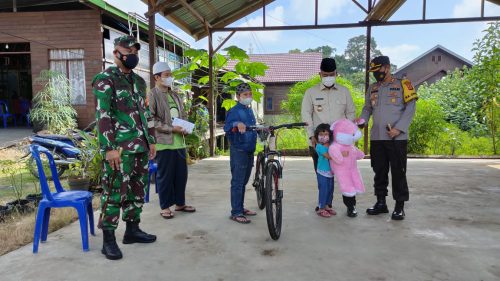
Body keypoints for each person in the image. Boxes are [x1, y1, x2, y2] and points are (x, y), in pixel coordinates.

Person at [93, 35, 157, 260]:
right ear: (116, 53)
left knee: (137, 191)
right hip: (118, 150)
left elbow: (145, 114)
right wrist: (109, 148)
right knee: (113, 193)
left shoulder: (139, 82)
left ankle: (132, 230)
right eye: (128, 51)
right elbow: (103, 115)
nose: (132, 55)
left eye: (135, 52)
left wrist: (151, 141)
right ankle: (108, 240)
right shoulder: (105, 79)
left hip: (140, 147)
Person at [359, 55, 417, 220]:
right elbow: (367, 108)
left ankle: (399, 206)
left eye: (379, 70)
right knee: (379, 171)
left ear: (388, 67)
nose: (376, 74)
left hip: (396, 138)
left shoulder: (403, 84)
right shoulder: (373, 88)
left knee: (398, 172)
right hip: (377, 137)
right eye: (374, 71)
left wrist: (399, 129)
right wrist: (361, 122)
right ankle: (381, 203)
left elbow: (410, 108)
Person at [301, 57, 356, 214]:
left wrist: (349, 136)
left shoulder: (344, 92)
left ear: (336, 73)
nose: (328, 77)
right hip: (320, 142)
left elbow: (351, 113)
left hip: (340, 142)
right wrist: (311, 136)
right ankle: (324, 204)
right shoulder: (311, 92)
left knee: (346, 174)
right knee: (323, 175)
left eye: (331, 74)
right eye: (325, 74)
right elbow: (306, 115)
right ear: (320, 74)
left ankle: (350, 206)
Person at [148, 61, 195, 220]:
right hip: (164, 143)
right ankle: (165, 206)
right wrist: (171, 129)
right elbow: (150, 120)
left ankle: (180, 203)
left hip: (179, 142)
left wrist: (185, 127)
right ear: (157, 77)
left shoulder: (174, 94)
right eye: (167, 75)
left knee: (181, 175)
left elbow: (182, 116)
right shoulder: (153, 94)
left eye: (170, 75)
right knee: (165, 177)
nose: (170, 78)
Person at [224, 83, 258, 224]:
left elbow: (252, 127)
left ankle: (240, 207)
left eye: (250, 94)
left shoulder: (249, 110)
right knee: (238, 181)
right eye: (245, 95)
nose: (248, 97)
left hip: (249, 149)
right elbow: (227, 126)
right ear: (238, 97)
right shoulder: (234, 111)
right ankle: (236, 212)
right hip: (239, 150)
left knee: (244, 181)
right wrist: (236, 123)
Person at [314, 123, 334, 218]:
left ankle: (327, 206)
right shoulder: (319, 147)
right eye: (321, 135)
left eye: (326, 134)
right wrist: (342, 154)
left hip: (331, 172)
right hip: (322, 172)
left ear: (330, 135)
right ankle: (321, 208)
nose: (323, 137)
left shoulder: (331, 145)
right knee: (324, 190)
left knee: (330, 189)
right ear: (317, 136)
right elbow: (329, 156)